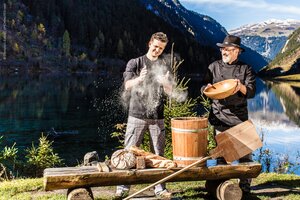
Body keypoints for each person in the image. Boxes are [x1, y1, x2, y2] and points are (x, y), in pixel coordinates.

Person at [115, 32, 173, 199]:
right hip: (137, 115)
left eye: (161, 48)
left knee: (159, 154)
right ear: (149, 43)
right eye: (155, 46)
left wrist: (165, 83)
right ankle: (123, 188)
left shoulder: (164, 66)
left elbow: (170, 91)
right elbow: (127, 85)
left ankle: (160, 189)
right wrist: (139, 79)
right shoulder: (135, 62)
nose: (157, 50)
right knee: (129, 153)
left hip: (157, 117)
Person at [201, 35, 256, 193]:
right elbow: (204, 86)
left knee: (245, 156)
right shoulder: (213, 67)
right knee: (222, 156)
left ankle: (245, 187)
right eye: (223, 49)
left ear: (237, 52)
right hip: (220, 117)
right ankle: (221, 187)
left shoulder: (246, 69)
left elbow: (251, 92)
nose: (224, 52)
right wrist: (206, 88)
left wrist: (241, 88)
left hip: (240, 119)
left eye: (228, 50)